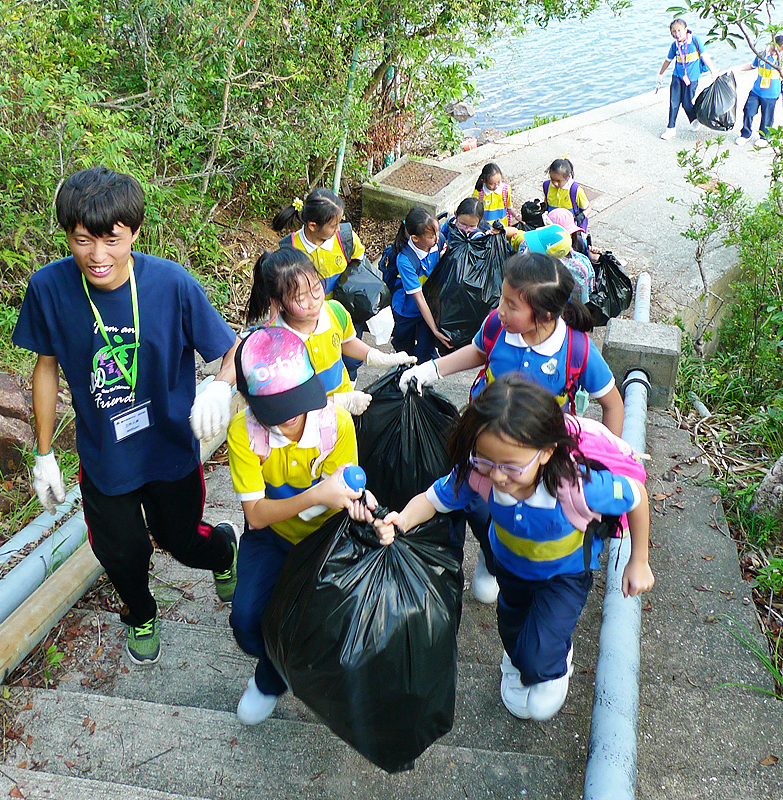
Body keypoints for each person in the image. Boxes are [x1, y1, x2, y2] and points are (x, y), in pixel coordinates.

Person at [14, 166, 241, 667]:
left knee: (181, 541)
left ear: (134, 232)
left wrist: (220, 388)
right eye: (82, 241)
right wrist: (44, 455)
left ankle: (224, 549)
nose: (97, 256)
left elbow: (231, 353)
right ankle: (140, 610)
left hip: (169, 449)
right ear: (67, 236)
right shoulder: (49, 289)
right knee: (122, 552)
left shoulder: (171, 284)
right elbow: (45, 368)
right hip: (105, 454)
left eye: (111, 240)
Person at [361, 375, 652, 721]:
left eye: (512, 467)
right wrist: (403, 520)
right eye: (486, 460)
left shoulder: (579, 486)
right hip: (510, 567)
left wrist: (640, 561)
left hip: (565, 574)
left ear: (546, 452)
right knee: (511, 625)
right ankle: (522, 656)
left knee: (540, 651)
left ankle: (553, 659)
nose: (499, 477)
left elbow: (636, 495)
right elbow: (435, 498)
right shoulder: (479, 473)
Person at [399, 252, 624, 604]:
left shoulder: (575, 350)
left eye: (511, 304)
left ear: (544, 314)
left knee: (520, 504)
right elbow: (476, 351)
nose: (500, 309)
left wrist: (607, 459)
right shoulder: (497, 326)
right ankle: (493, 557)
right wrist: (431, 370)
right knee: (472, 498)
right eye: (501, 298)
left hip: (532, 457)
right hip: (484, 439)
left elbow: (612, 403)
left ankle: (509, 559)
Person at [226, 326, 377, 726]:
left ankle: (270, 679)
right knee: (245, 622)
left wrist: (356, 501)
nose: (292, 418)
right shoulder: (244, 433)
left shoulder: (335, 424)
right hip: (271, 537)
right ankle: (280, 664)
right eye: (278, 409)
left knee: (320, 620)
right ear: (249, 402)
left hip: (324, 541)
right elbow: (256, 515)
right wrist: (316, 495)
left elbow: (345, 485)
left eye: (298, 402)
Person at [244, 248, 415, 415]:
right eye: (300, 298)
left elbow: (346, 342)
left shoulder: (334, 311)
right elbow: (288, 403)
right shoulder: (273, 343)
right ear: (278, 302)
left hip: (344, 406)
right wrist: (339, 402)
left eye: (317, 289)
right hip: (307, 423)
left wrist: (380, 358)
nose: (314, 302)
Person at [272, 188, 368, 379]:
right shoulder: (290, 249)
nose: (339, 229)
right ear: (313, 226)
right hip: (308, 320)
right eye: (333, 225)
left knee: (351, 360)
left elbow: (359, 262)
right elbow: (278, 293)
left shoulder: (346, 239)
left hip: (345, 313)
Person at [390, 206, 451, 362]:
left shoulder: (436, 243)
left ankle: (421, 381)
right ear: (415, 238)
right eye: (432, 236)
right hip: (407, 310)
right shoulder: (405, 260)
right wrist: (436, 331)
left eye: (437, 232)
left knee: (425, 351)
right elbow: (419, 299)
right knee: (404, 351)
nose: (437, 238)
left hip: (428, 309)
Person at [655, 18, 715, 140]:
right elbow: (668, 60)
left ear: (685, 29)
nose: (677, 34)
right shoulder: (674, 45)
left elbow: (704, 56)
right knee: (674, 102)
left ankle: (694, 119)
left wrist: (713, 70)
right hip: (677, 76)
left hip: (692, 78)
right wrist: (660, 74)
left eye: (679, 31)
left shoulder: (695, 40)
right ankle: (670, 128)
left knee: (687, 103)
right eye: (673, 32)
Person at [733, 36, 783, 147]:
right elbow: (752, 65)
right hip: (757, 90)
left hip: (771, 94)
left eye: (779, 50)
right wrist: (737, 68)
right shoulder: (762, 54)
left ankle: (764, 137)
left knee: (767, 116)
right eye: (775, 48)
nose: (775, 51)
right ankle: (746, 134)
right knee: (748, 110)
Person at [541, 158, 591, 232]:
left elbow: (588, 208)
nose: (555, 183)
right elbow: (546, 202)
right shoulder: (547, 186)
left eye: (558, 181)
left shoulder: (575, 190)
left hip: (569, 229)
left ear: (568, 177)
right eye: (552, 179)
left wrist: (581, 216)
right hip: (551, 227)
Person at [473, 163, 516, 229]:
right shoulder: (479, 193)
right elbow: (475, 211)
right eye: (491, 184)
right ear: (483, 181)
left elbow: (509, 207)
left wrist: (516, 216)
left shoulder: (506, 189)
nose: (496, 186)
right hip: (487, 229)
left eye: (498, 182)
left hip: (502, 227)